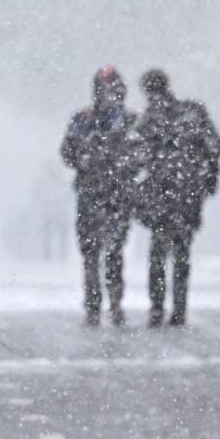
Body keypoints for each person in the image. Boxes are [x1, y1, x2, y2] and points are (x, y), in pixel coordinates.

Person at [135, 69, 220, 327]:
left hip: (162, 195)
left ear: (147, 91)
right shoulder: (193, 112)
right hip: (188, 194)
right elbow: (214, 147)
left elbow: (136, 157)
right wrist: (202, 177)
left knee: (158, 252)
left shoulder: (149, 120)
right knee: (182, 252)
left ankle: (157, 306)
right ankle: (179, 307)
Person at [61, 67, 140, 326]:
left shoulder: (129, 121)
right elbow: (68, 152)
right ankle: (96, 304)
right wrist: (87, 157)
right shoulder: (84, 120)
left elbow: (141, 154)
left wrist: (119, 163)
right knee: (94, 252)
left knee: (112, 250)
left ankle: (112, 302)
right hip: (94, 193)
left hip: (112, 194)